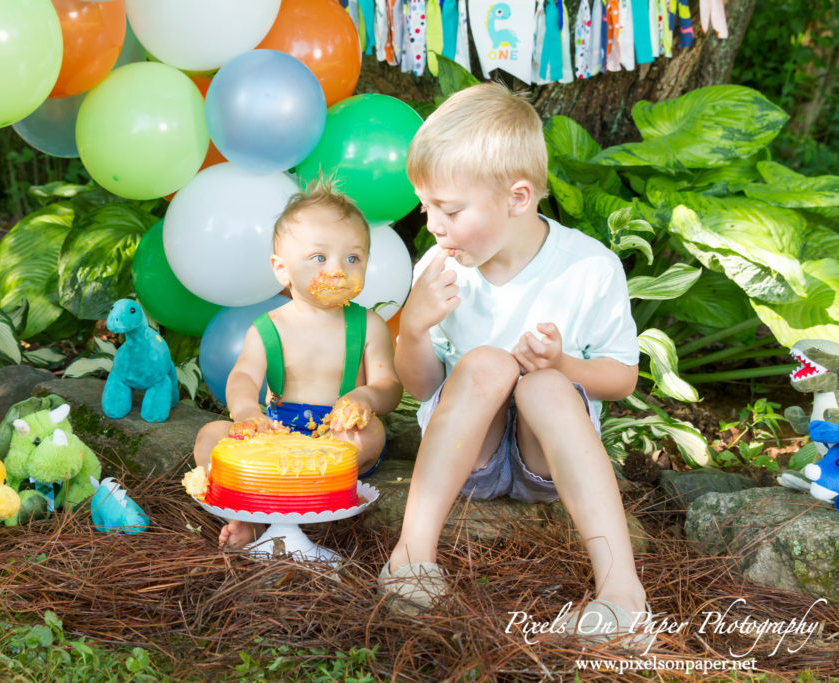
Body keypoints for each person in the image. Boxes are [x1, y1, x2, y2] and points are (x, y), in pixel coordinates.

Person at [380, 81, 651, 647]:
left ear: (518, 197)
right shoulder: (441, 265)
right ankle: (411, 559)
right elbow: (422, 384)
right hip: (467, 456)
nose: (432, 224)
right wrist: (412, 326)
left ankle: (622, 598)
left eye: (449, 209)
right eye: (426, 206)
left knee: (545, 386)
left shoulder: (588, 268)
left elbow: (622, 378)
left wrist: (564, 366)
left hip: (542, 459)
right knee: (483, 364)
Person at [193, 178, 403, 549]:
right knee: (210, 436)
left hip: (336, 434)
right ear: (282, 269)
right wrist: (245, 413)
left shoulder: (368, 325)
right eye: (319, 258)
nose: (337, 269)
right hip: (274, 434)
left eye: (352, 258)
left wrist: (365, 399)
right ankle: (244, 516)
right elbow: (243, 375)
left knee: (368, 434)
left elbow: (390, 387)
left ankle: (292, 497)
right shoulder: (269, 327)